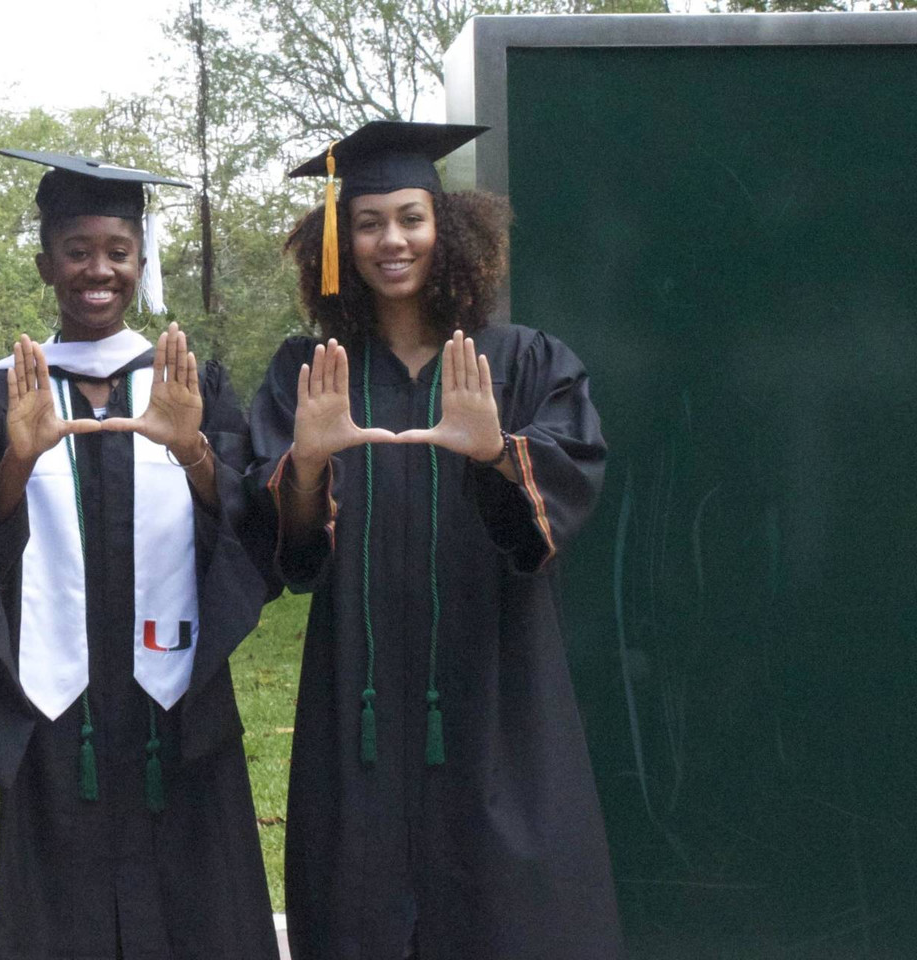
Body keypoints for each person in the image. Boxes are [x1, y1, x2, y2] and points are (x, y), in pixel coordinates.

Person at [248, 120, 622, 959]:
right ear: (339, 242)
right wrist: (305, 464)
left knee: (506, 909)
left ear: (446, 230)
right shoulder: (310, 372)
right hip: (361, 694)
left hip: (498, 677)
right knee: (358, 900)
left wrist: (496, 449)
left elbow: (567, 493)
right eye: (370, 221)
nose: (392, 240)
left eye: (411, 218)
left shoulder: (523, 362)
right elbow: (283, 547)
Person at [0, 149, 278, 960]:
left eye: (118, 252)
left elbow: (249, 526)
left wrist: (193, 446)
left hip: (177, 695)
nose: (99, 270)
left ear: (140, 261)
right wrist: (17, 459)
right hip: (55, 699)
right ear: (45, 264)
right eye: (77, 250)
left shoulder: (189, 381)